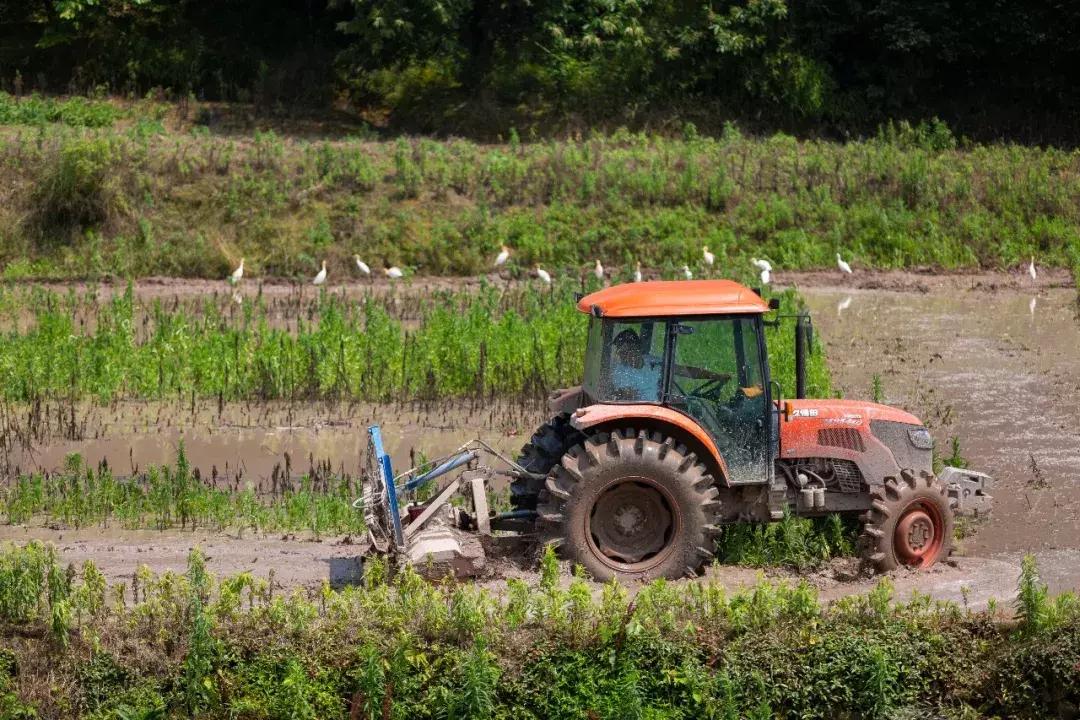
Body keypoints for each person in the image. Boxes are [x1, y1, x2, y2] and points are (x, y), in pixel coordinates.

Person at [610, 329, 661, 400]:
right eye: (620, 351)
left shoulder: (651, 360)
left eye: (623, 351)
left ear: (637, 348)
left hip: (660, 406)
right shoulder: (620, 371)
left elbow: (674, 369)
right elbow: (628, 395)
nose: (619, 355)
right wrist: (623, 392)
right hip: (640, 408)